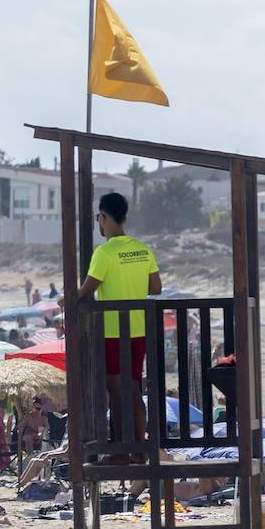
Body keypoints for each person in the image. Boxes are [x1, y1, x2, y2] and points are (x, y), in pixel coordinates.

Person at [78, 192, 160, 450]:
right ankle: (139, 448)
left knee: (115, 391)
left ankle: (122, 451)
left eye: (98, 220)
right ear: (124, 218)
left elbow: (85, 292)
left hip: (113, 332)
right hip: (138, 331)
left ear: (102, 218)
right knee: (133, 390)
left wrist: (65, 300)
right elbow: (156, 287)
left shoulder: (104, 253)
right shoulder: (142, 249)